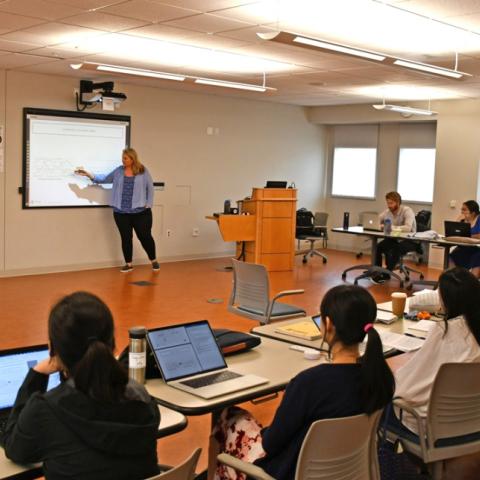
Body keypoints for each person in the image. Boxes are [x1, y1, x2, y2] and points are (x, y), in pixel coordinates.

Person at [212, 285, 395, 480]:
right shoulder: (381, 377)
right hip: (345, 470)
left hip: (289, 472)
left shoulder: (309, 383)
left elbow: (270, 445)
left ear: (328, 324)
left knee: (229, 416)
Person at [2, 291, 161, 480]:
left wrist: (36, 375)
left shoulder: (46, 408)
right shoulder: (140, 396)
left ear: (53, 348)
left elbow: (16, 450)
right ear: (111, 343)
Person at [392, 267, 480, 434]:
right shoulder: (470, 329)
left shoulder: (445, 330)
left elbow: (409, 388)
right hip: (472, 422)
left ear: (446, 300)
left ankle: (388, 456)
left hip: (430, 425)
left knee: (376, 399)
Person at [75, 148, 159, 273]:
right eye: (122, 158)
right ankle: (128, 264)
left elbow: (150, 188)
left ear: (132, 158)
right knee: (126, 238)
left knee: (145, 237)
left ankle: (153, 260)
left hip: (141, 213)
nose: (123, 160)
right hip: (121, 213)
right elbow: (104, 179)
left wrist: (149, 204)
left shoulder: (142, 170)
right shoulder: (119, 171)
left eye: (125, 158)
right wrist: (88, 174)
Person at [371, 191, 417, 284]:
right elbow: (377, 219)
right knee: (379, 247)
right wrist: (376, 224)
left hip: (409, 239)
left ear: (398, 202)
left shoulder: (407, 211)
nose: (389, 205)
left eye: (391, 203)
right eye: (388, 203)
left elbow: (408, 228)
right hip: (395, 238)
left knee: (396, 249)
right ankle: (378, 270)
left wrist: (391, 227)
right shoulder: (388, 211)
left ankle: (386, 274)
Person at [450, 200, 480, 278]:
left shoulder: (479, 219)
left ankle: (472, 283)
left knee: (478, 257)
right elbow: (453, 232)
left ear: (473, 212)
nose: (462, 212)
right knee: (451, 256)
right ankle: (453, 279)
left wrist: (468, 236)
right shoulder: (463, 220)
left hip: (477, 248)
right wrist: (458, 221)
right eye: (461, 209)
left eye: (464, 210)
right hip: (464, 247)